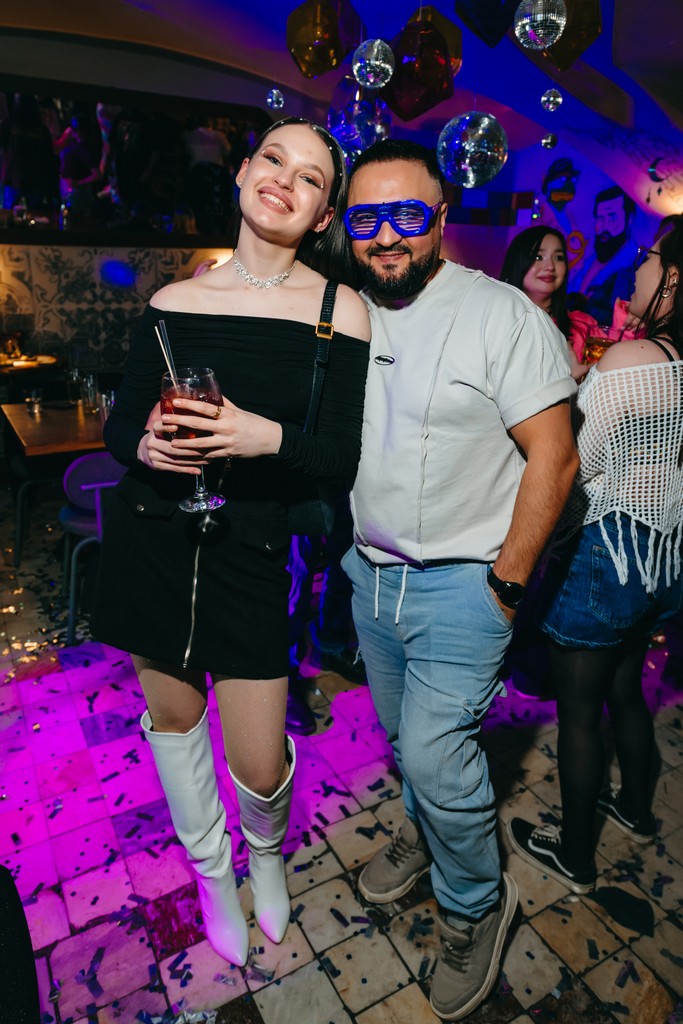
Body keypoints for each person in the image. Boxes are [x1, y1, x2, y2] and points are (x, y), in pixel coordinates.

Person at [90, 118, 370, 967]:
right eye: (274, 159)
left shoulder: (339, 311)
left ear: (323, 215)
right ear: (243, 172)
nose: (286, 178)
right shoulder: (173, 303)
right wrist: (143, 445)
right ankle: (214, 876)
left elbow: (339, 456)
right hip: (154, 538)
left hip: (251, 548)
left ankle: (267, 856)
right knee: (174, 726)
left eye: (311, 177)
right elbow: (119, 427)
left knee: (258, 762)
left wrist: (262, 437)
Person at [340, 139, 579, 1021]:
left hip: (464, 587)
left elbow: (555, 459)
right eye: (367, 218)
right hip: (370, 577)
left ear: (440, 219)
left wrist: (505, 585)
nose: (386, 235)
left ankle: (475, 904)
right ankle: (425, 834)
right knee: (406, 745)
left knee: (439, 757)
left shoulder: (501, 315)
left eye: (407, 214)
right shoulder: (346, 312)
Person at [508, 218, 683, 892]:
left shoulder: (626, 362)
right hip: (658, 556)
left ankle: (575, 855)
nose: (636, 267)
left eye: (648, 257)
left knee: (579, 713)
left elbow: (575, 466)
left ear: (672, 277)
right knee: (626, 689)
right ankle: (635, 809)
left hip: (604, 558)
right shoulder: (673, 358)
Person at [500, 225, 597, 369]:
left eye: (558, 258)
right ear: (517, 262)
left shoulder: (583, 326)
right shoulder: (497, 321)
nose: (550, 266)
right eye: (538, 257)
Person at [569, 185, 639, 325]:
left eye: (612, 217)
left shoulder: (633, 269)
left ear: (629, 219)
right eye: (599, 218)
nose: (603, 227)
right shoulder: (590, 260)